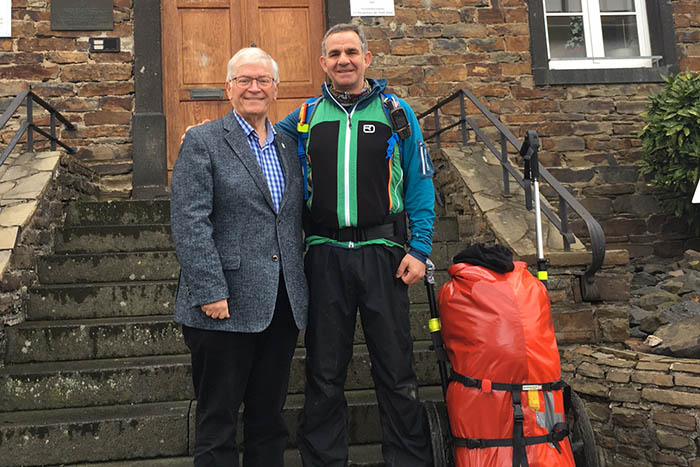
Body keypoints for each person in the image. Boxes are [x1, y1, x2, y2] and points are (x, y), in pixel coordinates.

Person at [276, 23, 435, 467]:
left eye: (351, 52)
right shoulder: (305, 116)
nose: (343, 60)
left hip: (385, 255)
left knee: (396, 369)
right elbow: (260, 141)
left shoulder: (396, 112)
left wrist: (419, 249)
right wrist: (207, 136)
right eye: (334, 54)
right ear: (322, 63)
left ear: (368, 58)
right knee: (324, 373)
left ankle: (408, 460)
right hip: (325, 255)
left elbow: (421, 184)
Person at [170, 47, 308, 467]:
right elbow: (190, 221)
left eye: (262, 80)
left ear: (276, 89)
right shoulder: (202, 140)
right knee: (218, 422)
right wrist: (210, 290)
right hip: (223, 306)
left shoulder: (288, 146)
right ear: (228, 88)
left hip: (281, 305)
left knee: (269, 421)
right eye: (245, 80)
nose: (254, 88)